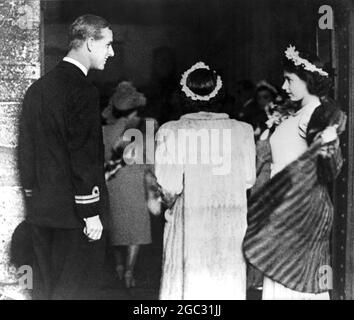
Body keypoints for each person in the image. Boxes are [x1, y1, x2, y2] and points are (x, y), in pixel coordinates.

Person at [18, 14, 115, 299]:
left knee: (46, 292)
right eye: (107, 44)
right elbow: (82, 154)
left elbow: (26, 150)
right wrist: (91, 211)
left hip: (43, 213)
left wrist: (32, 196)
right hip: (75, 218)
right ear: (88, 43)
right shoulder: (83, 90)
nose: (112, 52)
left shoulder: (38, 89)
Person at [243, 45, 346, 300]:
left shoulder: (316, 114)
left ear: (309, 80)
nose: (284, 86)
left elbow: (329, 166)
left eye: (289, 80)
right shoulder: (296, 112)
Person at [152, 62, 256, 299]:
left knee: (190, 288)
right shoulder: (243, 130)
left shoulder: (172, 131)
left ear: (183, 96)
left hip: (190, 224)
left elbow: (168, 185)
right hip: (230, 224)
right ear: (219, 94)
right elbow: (248, 180)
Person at [102, 81, 154, 288]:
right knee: (136, 227)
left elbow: (103, 159)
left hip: (112, 181)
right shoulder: (146, 127)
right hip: (135, 181)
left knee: (115, 225)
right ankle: (130, 270)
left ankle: (118, 266)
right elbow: (150, 159)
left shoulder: (105, 130)